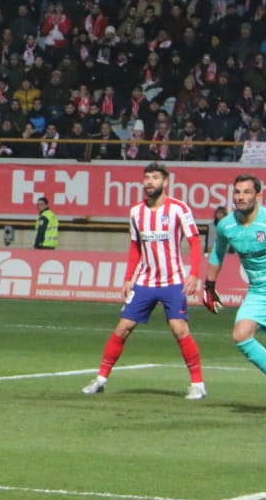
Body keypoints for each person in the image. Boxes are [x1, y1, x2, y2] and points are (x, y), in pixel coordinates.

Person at [82, 162, 206, 399]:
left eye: (155, 178)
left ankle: (198, 384)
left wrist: (194, 274)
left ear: (165, 182)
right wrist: (128, 278)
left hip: (173, 280)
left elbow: (195, 242)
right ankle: (100, 379)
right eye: (147, 177)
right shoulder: (136, 212)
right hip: (145, 281)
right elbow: (134, 247)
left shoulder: (179, 209)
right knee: (122, 328)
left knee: (179, 329)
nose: (150, 182)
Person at [202, 174, 266, 384]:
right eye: (237, 192)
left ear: (259, 196)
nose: (240, 197)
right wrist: (210, 285)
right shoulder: (226, 225)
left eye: (247, 192)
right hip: (259, 292)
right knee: (241, 336)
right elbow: (217, 253)